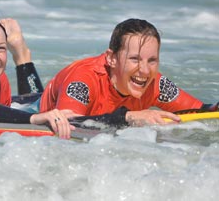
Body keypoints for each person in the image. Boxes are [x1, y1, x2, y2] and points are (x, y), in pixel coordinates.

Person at [39, 18, 218, 127]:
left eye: (152, 60)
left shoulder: (155, 83)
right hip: (34, 108)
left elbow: (201, 111)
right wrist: (130, 117)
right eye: (135, 59)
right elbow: (67, 121)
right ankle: (23, 55)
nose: (145, 71)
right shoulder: (83, 79)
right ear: (111, 58)